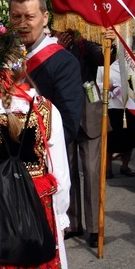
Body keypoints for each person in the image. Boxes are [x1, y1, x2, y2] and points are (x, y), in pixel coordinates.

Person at [0, 27, 71, 269]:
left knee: (0, 266)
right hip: (39, 204)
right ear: (23, 65)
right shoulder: (46, 108)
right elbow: (60, 173)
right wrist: (60, 215)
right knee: (40, 266)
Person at [56, 27, 115, 248]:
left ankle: (93, 228)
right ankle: (72, 223)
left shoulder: (85, 42)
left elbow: (103, 58)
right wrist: (59, 49)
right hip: (65, 118)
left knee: (91, 172)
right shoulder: (53, 45)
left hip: (89, 116)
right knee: (68, 173)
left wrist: (110, 43)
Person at [8, 0, 83, 146]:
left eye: (29, 17)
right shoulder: (1, 58)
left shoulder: (64, 63)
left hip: (41, 158)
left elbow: (67, 127)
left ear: (45, 18)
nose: (22, 24)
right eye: (16, 17)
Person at [99, 63, 135, 178]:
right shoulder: (102, 66)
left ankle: (125, 166)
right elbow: (97, 84)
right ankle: (108, 168)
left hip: (128, 106)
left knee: (129, 139)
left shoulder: (132, 65)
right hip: (111, 107)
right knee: (110, 139)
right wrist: (109, 86)